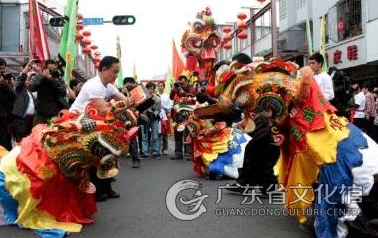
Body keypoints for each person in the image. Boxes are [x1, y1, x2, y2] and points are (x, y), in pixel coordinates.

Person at [70, 56, 134, 201]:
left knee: (109, 155)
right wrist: (127, 106)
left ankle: (107, 188)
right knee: (95, 157)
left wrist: (131, 109)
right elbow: (106, 110)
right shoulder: (93, 85)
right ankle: (98, 191)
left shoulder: (109, 86)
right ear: (104, 69)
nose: (116, 75)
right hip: (80, 124)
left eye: (117, 72)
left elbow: (123, 100)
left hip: (96, 124)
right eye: (114, 72)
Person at [30, 59, 68, 125]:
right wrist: (42, 76)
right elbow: (32, 88)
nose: (52, 71)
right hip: (41, 114)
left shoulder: (58, 79)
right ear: (45, 69)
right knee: (38, 133)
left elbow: (63, 92)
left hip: (55, 114)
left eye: (54, 69)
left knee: (53, 134)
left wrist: (52, 80)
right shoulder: (39, 78)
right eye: (50, 69)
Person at [12, 59, 37, 142]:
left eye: (29, 80)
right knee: (22, 142)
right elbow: (20, 78)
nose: (27, 81)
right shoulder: (18, 89)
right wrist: (27, 67)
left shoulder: (29, 91)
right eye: (26, 79)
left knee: (29, 143)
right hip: (20, 119)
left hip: (30, 120)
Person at [122, 77, 140, 168]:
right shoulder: (119, 92)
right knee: (117, 140)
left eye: (130, 83)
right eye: (126, 83)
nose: (128, 84)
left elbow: (139, 105)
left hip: (132, 119)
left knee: (133, 140)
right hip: (120, 120)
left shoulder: (137, 93)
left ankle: (135, 160)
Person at [140, 82, 161, 159]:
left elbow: (159, 110)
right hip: (144, 118)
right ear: (146, 89)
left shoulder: (157, 98)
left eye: (152, 88)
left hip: (154, 119)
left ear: (154, 89)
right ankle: (145, 152)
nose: (150, 90)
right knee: (144, 136)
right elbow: (140, 109)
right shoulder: (143, 98)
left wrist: (153, 114)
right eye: (148, 88)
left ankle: (156, 151)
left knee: (155, 135)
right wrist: (145, 115)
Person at [0, 65, 15, 150]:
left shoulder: (6, 82)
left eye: (3, 69)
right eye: (0, 69)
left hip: (6, 119)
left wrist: (5, 84)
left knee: (6, 144)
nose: (2, 72)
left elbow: (13, 96)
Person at [157, 82, 173, 155]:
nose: (160, 87)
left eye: (161, 86)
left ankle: (165, 149)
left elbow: (170, 105)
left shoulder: (167, 95)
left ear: (164, 87)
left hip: (165, 116)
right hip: (157, 116)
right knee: (157, 132)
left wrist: (165, 108)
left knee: (165, 132)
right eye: (159, 86)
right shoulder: (155, 95)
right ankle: (157, 149)